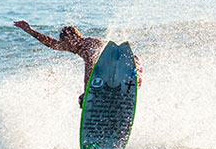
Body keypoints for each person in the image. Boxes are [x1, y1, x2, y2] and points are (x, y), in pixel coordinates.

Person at [14, 21, 142, 107]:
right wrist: (30, 31)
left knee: (96, 89)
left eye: (69, 43)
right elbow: (53, 44)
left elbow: (89, 67)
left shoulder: (87, 46)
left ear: (76, 38)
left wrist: (87, 93)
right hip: (122, 71)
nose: (68, 47)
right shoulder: (76, 45)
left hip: (130, 68)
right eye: (66, 45)